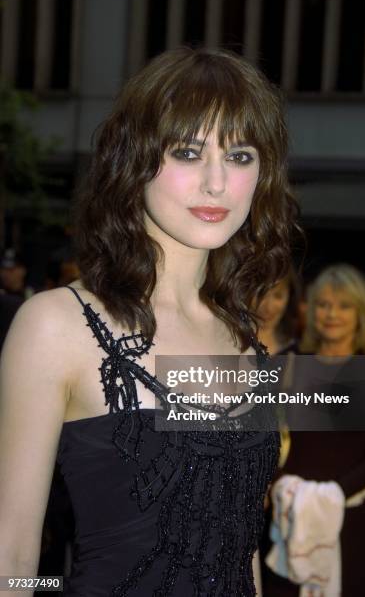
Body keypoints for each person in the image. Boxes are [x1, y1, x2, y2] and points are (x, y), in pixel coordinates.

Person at [0, 47, 299, 597]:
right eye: (188, 152)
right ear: (134, 160)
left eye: (240, 156)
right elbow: (11, 554)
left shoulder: (245, 339)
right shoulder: (56, 326)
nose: (216, 183)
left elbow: (240, 550)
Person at [265, 264, 365, 597]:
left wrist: (328, 497)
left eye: (343, 305)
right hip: (287, 511)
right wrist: (281, 486)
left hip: (351, 519)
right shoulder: (289, 363)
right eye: (323, 304)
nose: (332, 314)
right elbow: (267, 436)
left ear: (361, 312)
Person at [256, 268, 301, 355]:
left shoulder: (296, 349)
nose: (268, 307)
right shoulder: (230, 342)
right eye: (261, 294)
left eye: (278, 296)